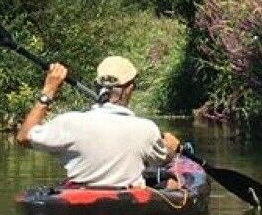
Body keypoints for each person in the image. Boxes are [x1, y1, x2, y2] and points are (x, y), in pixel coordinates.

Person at [16, 54, 181, 189]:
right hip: (125, 200)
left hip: (79, 201)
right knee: (174, 182)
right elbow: (162, 160)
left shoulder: (69, 122)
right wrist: (172, 150)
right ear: (130, 89)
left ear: (97, 86)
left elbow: (23, 137)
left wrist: (49, 89)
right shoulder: (146, 129)